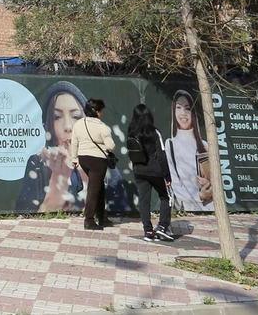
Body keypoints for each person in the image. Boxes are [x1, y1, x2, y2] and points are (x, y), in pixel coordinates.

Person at [15, 81, 88, 214]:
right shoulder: (38, 163)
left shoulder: (100, 162)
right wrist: (57, 183)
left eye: (76, 117)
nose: (68, 126)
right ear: (47, 125)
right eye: (57, 117)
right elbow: (24, 217)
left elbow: (116, 209)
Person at [127, 104, 175, 243]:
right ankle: (163, 226)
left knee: (144, 201)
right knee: (167, 197)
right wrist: (167, 175)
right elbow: (162, 155)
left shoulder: (131, 131)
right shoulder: (154, 132)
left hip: (139, 171)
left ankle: (148, 232)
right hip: (156, 172)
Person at [71, 98, 118, 231]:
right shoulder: (101, 126)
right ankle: (89, 220)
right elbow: (110, 146)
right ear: (97, 112)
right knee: (93, 189)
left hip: (83, 158)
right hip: (98, 160)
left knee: (98, 187)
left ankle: (102, 217)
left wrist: (74, 158)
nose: (102, 113)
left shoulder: (79, 124)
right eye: (101, 111)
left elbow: (74, 142)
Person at [166, 90, 213, 211]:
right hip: (187, 206)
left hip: (208, 206)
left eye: (187, 108)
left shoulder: (204, 145)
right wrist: (199, 196)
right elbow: (174, 182)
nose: (183, 113)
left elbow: (215, 179)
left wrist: (208, 183)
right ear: (174, 111)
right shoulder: (170, 144)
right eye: (178, 107)